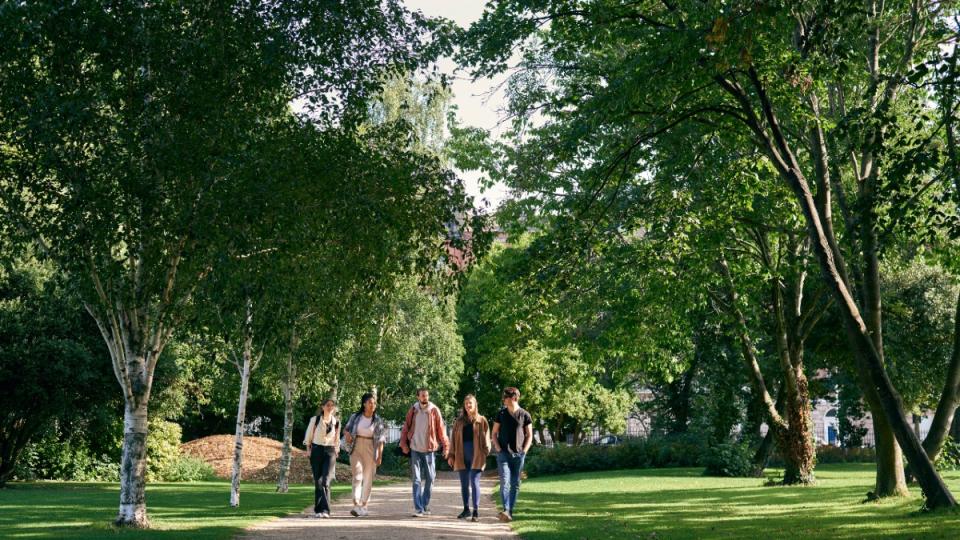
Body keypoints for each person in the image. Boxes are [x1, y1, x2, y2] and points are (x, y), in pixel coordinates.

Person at [399, 387, 449, 517]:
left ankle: (424, 503)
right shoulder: (413, 410)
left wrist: (446, 446)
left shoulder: (434, 410)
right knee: (416, 479)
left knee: (431, 478)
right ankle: (419, 508)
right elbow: (406, 428)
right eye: (422, 396)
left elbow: (441, 430)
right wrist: (403, 444)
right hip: (415, 449)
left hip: (429, 450)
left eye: (426, 395)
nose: (424, 398)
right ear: (418, 397)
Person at [447, 394, 491, 522]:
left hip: (477, 455)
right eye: (466, 403)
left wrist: (485, 452)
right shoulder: (459, 421)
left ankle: (475, 511)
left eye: (470, 403)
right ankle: (466, 509)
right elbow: (453, 440)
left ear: (475, 404)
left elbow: (487, 438)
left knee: (474, 482)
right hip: (461, 455)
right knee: (464, 484)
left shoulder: (482, 420)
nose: (468, 405)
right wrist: (451, 455)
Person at [492, 386, 533, 522]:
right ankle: (506, 510)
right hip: (503, 454)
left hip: (518, 455)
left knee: (515, 484)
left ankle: (509, 511)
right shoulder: (501, 414)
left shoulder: (525, 414)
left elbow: (529, 435)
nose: (503, 399)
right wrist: (497, 448)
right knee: (505, 482)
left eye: (506, 397)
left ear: (514, 398)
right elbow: (494, 433)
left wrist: (524, 452)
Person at [343, 392, 387, 517]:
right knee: (357, 475)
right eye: (370, 403)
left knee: (368, 477)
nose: (372, 405)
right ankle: (356, 504)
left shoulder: (378, 420)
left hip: (371, 447)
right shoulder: (356, 417)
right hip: (356, 446)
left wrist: (380, 455)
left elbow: (381, 439)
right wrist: (347, 434)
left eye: (374, 403)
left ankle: (364, 505)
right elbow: (346, 428)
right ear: (364, 404)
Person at [303, 398, 340, 518]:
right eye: (328, 405)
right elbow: (308, 435)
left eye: (332, 406)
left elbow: (337, 439)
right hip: (316, 450)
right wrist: (308, 450)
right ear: (322, 407)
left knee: (325, 481)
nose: (330, 408)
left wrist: (336, 450)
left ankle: (326, 510)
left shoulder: (336, 422)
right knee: (318, 481)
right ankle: (318, 510)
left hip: (330, 451)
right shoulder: (315, 420)